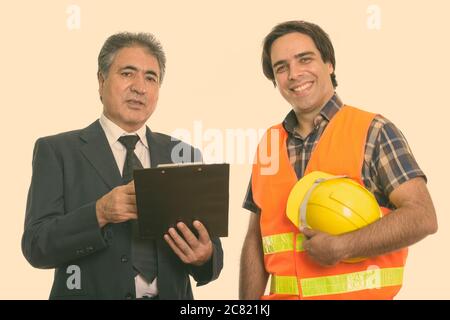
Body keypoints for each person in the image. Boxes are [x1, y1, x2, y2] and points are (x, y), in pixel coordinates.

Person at [239, 21, 437, 300]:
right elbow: (255, 240)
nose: (294, 74)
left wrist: (344, 246)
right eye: (281, 67)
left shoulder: (373, 130)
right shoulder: (269, 144)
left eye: (304, 59)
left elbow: (422, 216)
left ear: (329, 64)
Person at [22, 32, 223, 300]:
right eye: (128, 73)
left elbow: (212, 258)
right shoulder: (58, 151)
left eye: (151, 78)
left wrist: (205, 255)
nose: (140, 87)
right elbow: (37, 246)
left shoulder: (183, 154)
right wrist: (99, 213)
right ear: (101, 80)